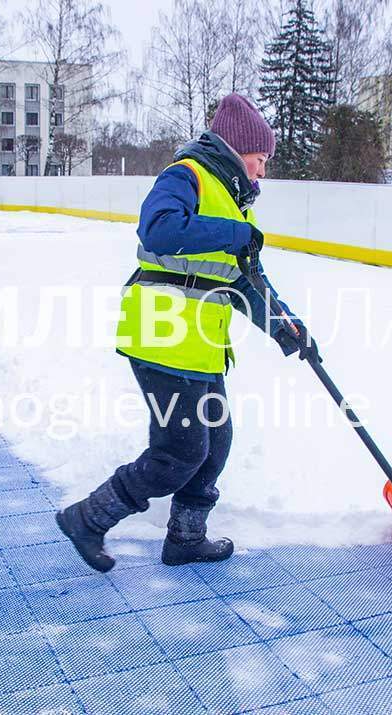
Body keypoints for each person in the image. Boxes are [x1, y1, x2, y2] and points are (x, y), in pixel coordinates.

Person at [55, 94, 319, 573]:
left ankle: (185, 538)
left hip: (198, 344)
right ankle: (88, 518)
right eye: (260, 161)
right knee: (180, 449)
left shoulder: (234, 204)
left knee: (215, 444)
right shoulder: (186, 176)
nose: (262, 173)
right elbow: (157, 230)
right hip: (160, 335)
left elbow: (244, 281)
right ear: (238, 150)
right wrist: (233, 234)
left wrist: (287, 329)